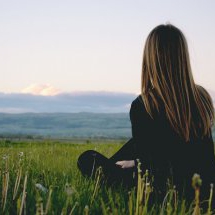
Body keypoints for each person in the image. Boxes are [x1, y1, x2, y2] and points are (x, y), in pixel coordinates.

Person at [77, 24, 215, 204]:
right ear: (183, 57)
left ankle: (114, 171)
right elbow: (199, 156)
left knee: (87, 159)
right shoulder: (202, 97)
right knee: (136, 144)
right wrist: (138, 160)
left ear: (151, 59)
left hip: (163, 192)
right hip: (204, 189)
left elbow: (152, 170)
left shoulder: (145, 104)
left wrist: (135, 163)